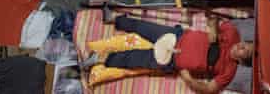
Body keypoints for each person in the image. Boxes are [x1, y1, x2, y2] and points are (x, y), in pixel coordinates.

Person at [82, 14, 254, 93]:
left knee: (133, 59)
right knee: (142, 27)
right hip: (177, 35)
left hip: (171, 61)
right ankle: (113, 18)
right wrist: (213, 29)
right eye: (246, 44)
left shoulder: (229, 70)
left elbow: (209, 88)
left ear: (243, 60)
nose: (242, 47)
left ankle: (99, 58)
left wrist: (188, 80)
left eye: (245, 52)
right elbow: (212, 19)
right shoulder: (232, 33)